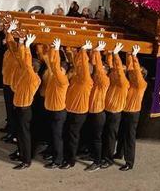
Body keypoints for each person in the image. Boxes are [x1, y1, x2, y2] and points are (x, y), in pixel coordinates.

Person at [61, 41, 94, 170]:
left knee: (72, 136)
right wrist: (77, 52)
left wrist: (84, 50)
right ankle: (68, 156)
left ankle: (70, 160)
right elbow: (77, 63)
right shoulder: (77, 77)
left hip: (78, 113)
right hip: (71, 109)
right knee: (69, 135)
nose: (78, 68)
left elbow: (83, 66)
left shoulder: (86, 80)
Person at [10, 33, 40, 170]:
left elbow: (26, 63)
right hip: (19, 107)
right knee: (20, 134)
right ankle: (21, 154)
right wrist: (21, 43)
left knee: (24, 135)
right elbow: (24, 61)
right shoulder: (28, 76)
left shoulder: (33, 78)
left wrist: (26, 46)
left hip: (24, 110)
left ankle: (26, 160)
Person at [42, 37, 70, 169]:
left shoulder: (63, 80)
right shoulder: (56, 76)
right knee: (52, 134)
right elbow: (53, 63)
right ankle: (52, 153)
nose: (56, 69)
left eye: (59, 69)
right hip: (52, 109)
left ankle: (58, 160)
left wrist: (57, 49)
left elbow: (55, 66)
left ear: (63, 70)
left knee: (57, 136)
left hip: (58, 112)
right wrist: (53, 48)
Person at [117, 45, 146, 171]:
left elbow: (136, 72)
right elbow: (130, 69)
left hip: (133, 113)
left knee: (129, 137)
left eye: (137, 71)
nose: (133, 72)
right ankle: (119, 153)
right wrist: (129, 54)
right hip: (125, 111)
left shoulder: (141, 84)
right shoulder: (133, 82)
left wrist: (134, 56)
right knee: (122, 133)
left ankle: (129, 162)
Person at [85, 42, 110, 171]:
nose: (97, 71)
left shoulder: (104, 81)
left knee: (97, 138)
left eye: (101, 69)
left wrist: (97, 52)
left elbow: (98, 68)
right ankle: (92, 155)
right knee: (91, 135)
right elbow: (95, 66)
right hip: (92, 112)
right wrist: (93, 52)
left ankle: (97, 162)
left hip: (98, 114)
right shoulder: (96, 79)